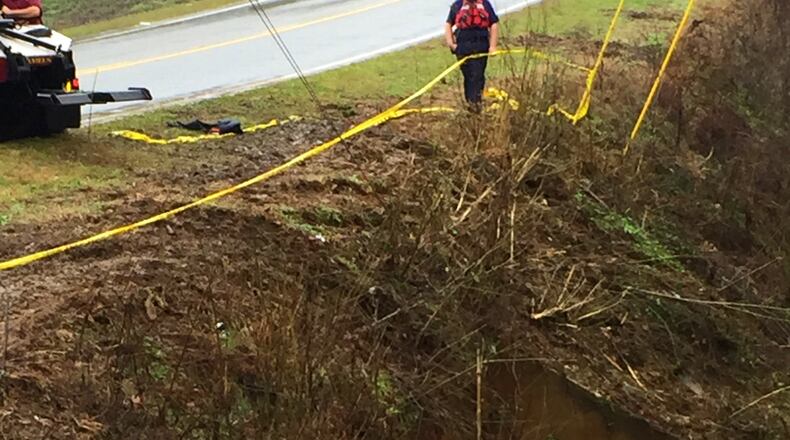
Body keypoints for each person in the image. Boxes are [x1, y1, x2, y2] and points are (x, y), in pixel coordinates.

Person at [445, 0, 499, 108]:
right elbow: (448, 24)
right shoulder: (457, 5)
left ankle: (475, 103)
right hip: (463, 48)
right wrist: (451, 43)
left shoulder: (485, 4)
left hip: (480, 46)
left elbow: (494, 23)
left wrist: (493, 46)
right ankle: (471, 102)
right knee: (468, 76)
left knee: (477, 75)